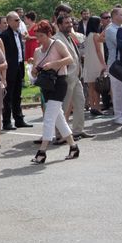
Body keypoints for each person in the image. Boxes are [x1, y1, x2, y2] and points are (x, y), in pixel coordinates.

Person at [30, 21, 80, 164]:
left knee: (49, 118)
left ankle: (42, 151)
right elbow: (34, 72)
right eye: (37, 36)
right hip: (46, 85)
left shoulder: (57, 44)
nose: (39, 39)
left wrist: (53, 64)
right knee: (58, 118)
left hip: (59, 82)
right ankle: (73, 147)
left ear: (49, 34)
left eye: (41, 36)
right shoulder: (37, 51)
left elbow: (70, 59)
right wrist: (34, 70)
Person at [54, 10, 92, 139]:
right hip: (65, 77)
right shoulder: (57, 39)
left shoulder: (70, 37)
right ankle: (60, 134)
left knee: (80, 103)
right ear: (59, 25)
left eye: (70, 22)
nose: (69, 25)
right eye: (66, 23)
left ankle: (78, 130)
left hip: (76, 77)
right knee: (64, 107)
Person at [1, 11, 32, 130]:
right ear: (9, 22)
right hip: (9, 69)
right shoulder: (4, 35)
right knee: (8, 96)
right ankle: (7, 121)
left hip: (19, 66)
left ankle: (19, 119)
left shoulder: (18, 33)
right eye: (16, 20)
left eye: (19, 19)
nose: (19, 22)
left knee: (17, 95)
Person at [81, 16, 106, 115]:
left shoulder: (88, 36)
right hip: (96, 62)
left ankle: (92, 106)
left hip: (89, 62)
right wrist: (103, 63)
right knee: (97, 86)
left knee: (91, 86)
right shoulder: (95, 35)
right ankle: (97, 107)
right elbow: (98, 50)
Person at [105, 6, 122, 125]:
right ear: (114, 16)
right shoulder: (111, 29)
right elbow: (120, 43)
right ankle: (118, 115)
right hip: (115, 64)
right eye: (121, 14)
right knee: (117, 91)